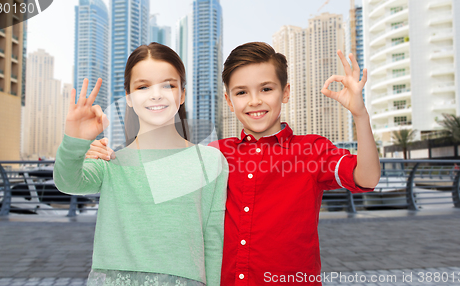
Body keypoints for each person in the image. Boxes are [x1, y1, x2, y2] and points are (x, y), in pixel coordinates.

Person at [85, 42, 381, 285]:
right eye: (241, 92)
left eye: (266, 89)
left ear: (285, 92)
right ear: (229, 100)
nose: (254, 101)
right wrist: (105, 155)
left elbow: (366, 178)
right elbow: (143, 185)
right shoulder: (213, 155)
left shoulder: (311, 150)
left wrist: (360, 115)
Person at [53, 42, 228, 286]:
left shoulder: (210, 161)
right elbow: (67, 181)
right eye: (143, 86)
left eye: (168, 85)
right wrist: (75, 140)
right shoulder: (110, 161)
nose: (156, 94)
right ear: (129, 98)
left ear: (182, 94)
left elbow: (213, 239)